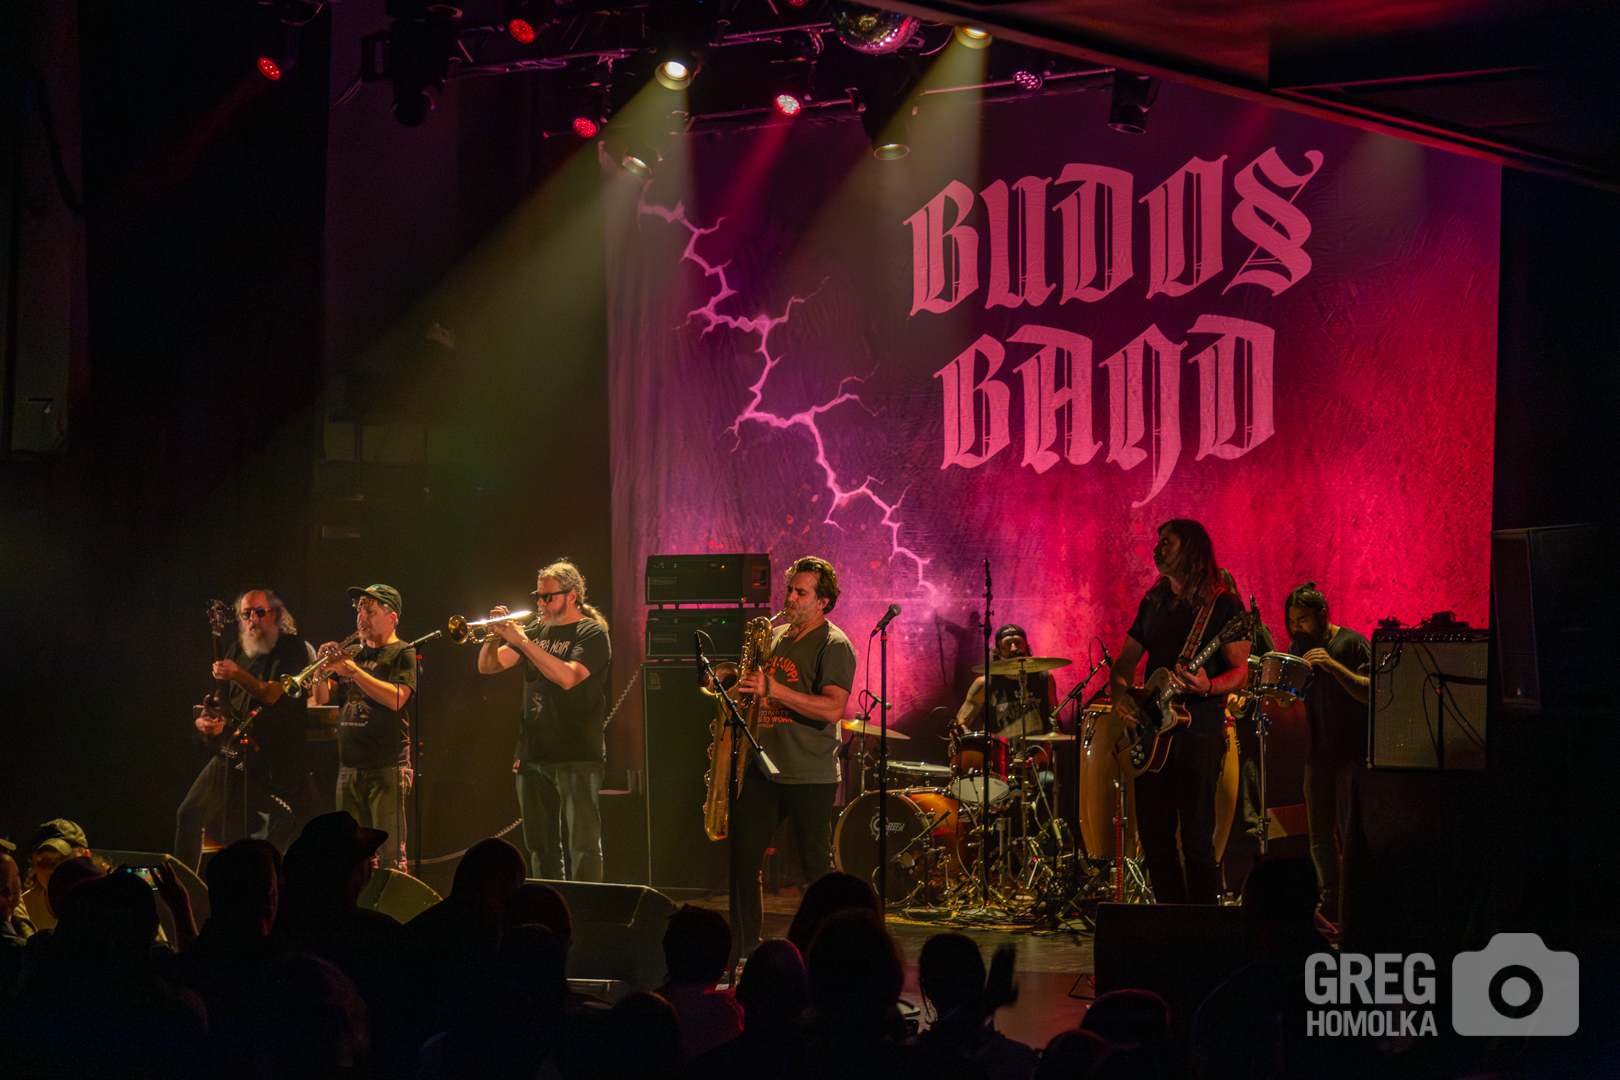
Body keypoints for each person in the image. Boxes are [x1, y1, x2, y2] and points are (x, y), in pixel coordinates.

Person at [1108, 520, 1250, 906]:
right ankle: (1170, 921)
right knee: (1154, 839)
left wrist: (1208, 686)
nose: (1156, 549)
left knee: (1196, 838)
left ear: (1190, 549)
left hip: (1197, 733)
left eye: (1166, 543)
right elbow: (1123, 666)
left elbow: (1240, 672)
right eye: (1158, 542)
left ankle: (1203, 925)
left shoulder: (1224, 606)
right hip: (1152, 732)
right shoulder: (1153, 602)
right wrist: (1121, 696)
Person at [731, 556, 858, 962]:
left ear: (823, 602)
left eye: (801, 592)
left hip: (810, 773)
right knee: (742, 861)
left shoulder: (834, 644)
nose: (790, 598)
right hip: (764, 768)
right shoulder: (773, 636)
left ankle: (831, 954)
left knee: (816, 870)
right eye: (789, 589)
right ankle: (744, 950)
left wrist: (774, 689)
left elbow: (833, 709)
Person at [478, 559, 612, 881]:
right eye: (538, 596)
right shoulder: (537, 631)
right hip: (532, 753)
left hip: (576, 754)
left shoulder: (592, 633)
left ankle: (584, 907)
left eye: (548, 596)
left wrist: (522, 641)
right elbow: (489, 666)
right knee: (541, 848)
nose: (540, 603)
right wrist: (493, 635)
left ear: (572, 596)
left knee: (583, 847)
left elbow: (568, 677)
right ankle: (549, 904)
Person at [174, 589, 319, 871]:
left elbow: (272, 694)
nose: (253, 619)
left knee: (271, 835)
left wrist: (237, 674)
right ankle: (184, 887)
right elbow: (225, 703)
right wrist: (207, 719)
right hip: (235, 752)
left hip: (274, 760)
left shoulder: (292, 648)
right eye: (246, 614)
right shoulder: (236, 650)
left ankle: (272, 887)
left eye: (259, 612)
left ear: (274, 614)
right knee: (189, 814)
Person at [1284, 582, 1371, 925]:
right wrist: (1282, 691)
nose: (1297, 628)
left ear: (1323, 615)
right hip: (1317, 754)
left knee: (1351, 835)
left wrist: (1334, 666)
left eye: (1303, 620)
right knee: (1319, 838)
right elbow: (1289, 699)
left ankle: (1356, 906)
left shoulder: (1351, 643)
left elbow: (1371, 691)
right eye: (1292, 621)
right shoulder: (1298, 647)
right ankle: (1331, 901)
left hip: (1353, 755)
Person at [316, 584, 416, 872]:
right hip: (348, 767)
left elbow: (397, 699)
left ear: (392, 617)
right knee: (348, 857)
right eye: (359, 609)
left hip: (386, 767)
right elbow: (321, 698)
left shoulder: (403, 652)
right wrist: (320, 668)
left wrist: (353, 671)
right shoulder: (352, 653)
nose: (361, 616)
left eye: (369, 611)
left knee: (389, 858)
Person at [953, 623, 1060, 740]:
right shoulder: (985, 683)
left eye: (1017, 643)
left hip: (1037, 749)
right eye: (1007, 644)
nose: (1014, 648)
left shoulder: (1044, 678)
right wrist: (972, 738)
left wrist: (1051, 741)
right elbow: (959, 725)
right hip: (1000, 749)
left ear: (1026, 646)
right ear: (997, 651)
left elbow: (1055, 720)